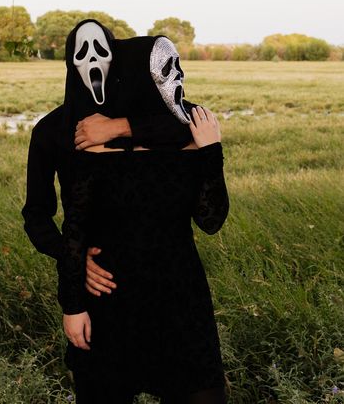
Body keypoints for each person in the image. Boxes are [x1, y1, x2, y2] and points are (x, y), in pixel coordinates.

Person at [57, 35, 230, 403]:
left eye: (180, 65)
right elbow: (74, 231)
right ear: (138, 77)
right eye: (165, 69)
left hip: (179, 300)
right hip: (111, 302)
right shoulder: (95, 143)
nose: (178, 76)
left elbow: (211, 220)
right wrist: (72, 306)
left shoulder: (190, 136)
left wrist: (210, 153)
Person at [21, 19, 197, 277]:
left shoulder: (137, 110)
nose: (93, 61)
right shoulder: (50, 130)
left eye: (101, 51)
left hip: (160, 260)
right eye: (82, 53)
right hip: (98, 271)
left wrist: (121, 127)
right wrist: (70, 256)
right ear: (71, 62)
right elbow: (36, 212)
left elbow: (190, 119)